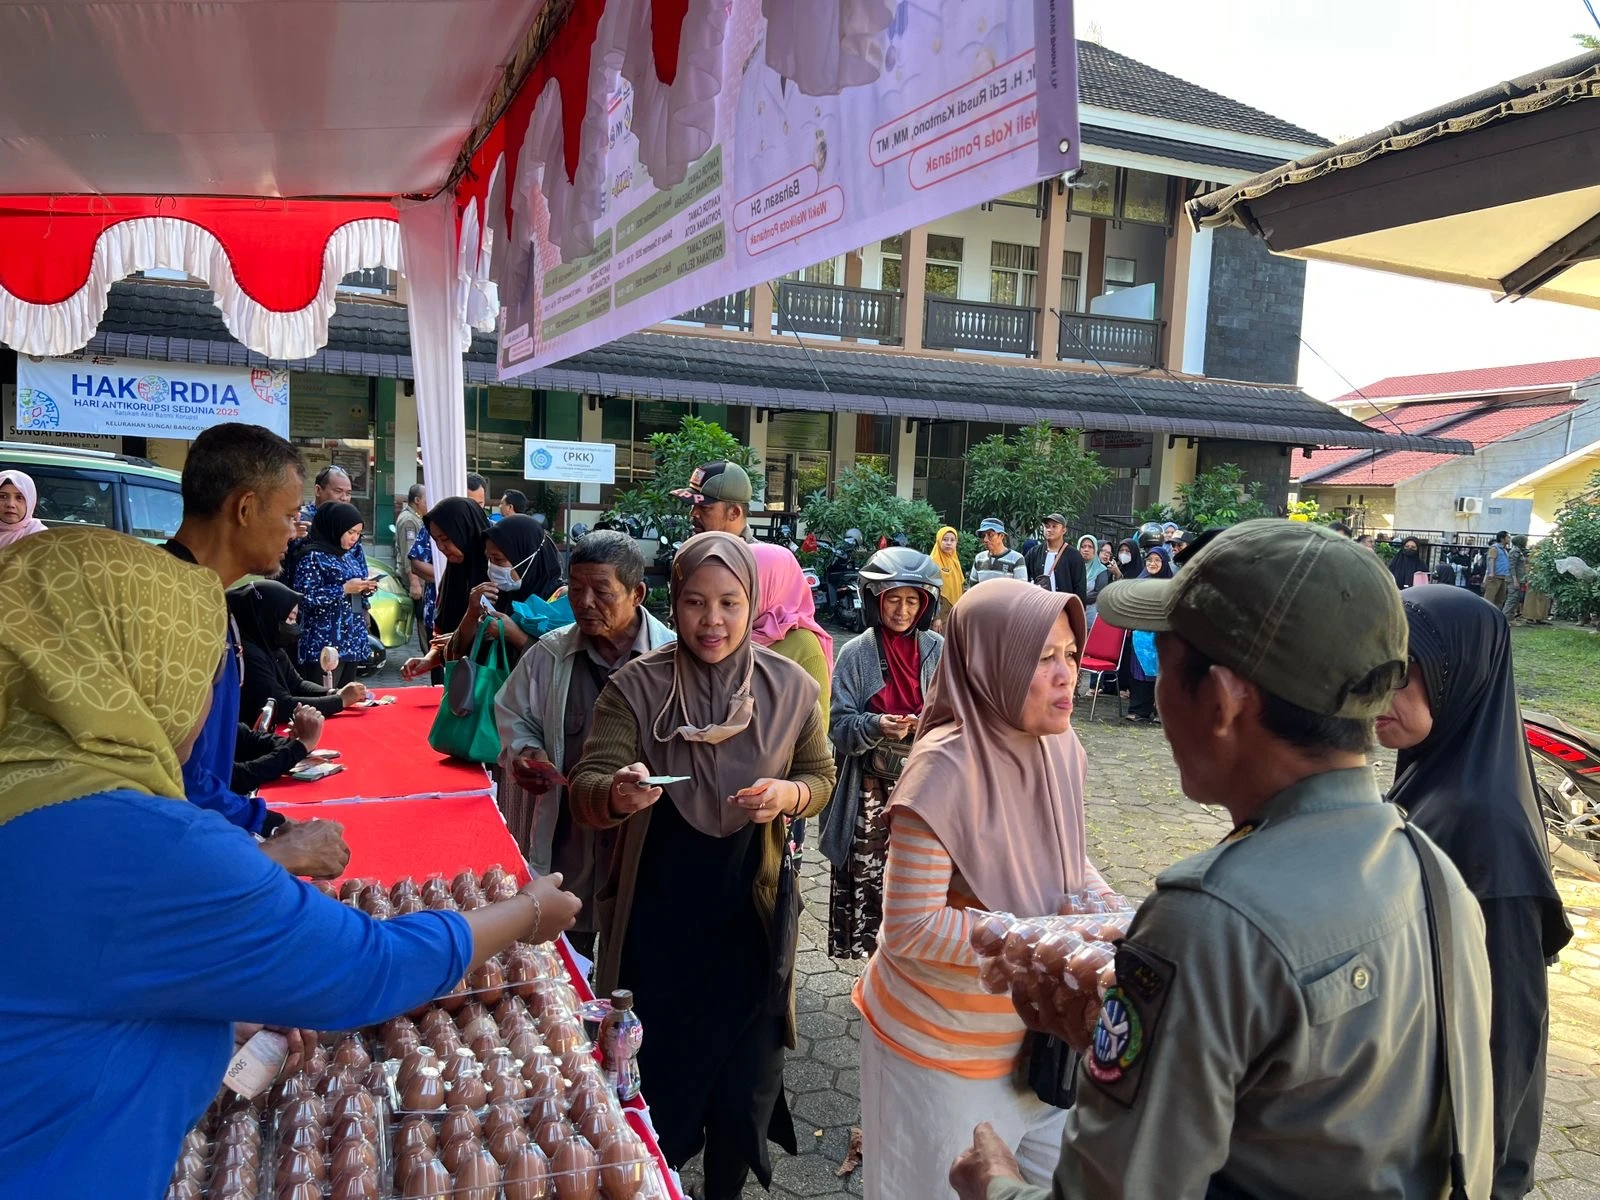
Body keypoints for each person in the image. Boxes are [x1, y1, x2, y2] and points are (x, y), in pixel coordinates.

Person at [0, 528, 583, 1199]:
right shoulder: (136, 842)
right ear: (140, 671)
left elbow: (74, 989)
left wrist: (209, 1016)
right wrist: (528, 911)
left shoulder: (38, 801)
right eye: (198, 668)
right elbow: (364, 967)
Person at [952, 520, 1495, 1200]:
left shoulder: (1207, 923)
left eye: (1164, 657)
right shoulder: (1434, 874)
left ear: (1222, 699)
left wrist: (996, 1186)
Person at [568, 533, 835, 1200]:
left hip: (751, 923)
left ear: (753, 604)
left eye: (729, 603)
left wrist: (787, 796)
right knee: (655, 1089)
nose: (712, 621)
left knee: (740, 1092)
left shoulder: (790, 688)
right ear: (671, 602)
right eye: (694, 603)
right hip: (657, 930)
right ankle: (653, 1183)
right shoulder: (638, 686)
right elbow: (589, 784)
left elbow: (820, 774)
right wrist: (618, 791)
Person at [856, 579, 1112, 1200]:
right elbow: (911, 927)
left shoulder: (1061, 747)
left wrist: (1112, 911)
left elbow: (1067, 862)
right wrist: (1042, 937)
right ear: (989, 665)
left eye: (1071, 655)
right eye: (1042, 658)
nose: (1065, 675)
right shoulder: (943, 770)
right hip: (939, 1051)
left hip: (1040, 1042)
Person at [1379, 585, 1571, 1198]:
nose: (1382, 692)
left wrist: (1483, 1181)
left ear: (1457, 677)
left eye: (1404, 673)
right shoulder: (1435, 773)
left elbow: (1507, 1038)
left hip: (1457, 1152)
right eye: (1376, 667)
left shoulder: (1487, 825)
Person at [165, 422, 347, 878]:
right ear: (245, 508)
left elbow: (211, 749)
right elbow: (172, 772)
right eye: (290, 516)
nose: (296, 530)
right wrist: (273, 826)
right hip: (178, 856)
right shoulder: (170, 609)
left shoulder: (208, 599)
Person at [494, 531, 676, 959]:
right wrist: (526, 754)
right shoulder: (550, 654)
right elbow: (514, 715)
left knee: (635, 961)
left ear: (637, 593)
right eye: (576, 590)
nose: (585, 603)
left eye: (601, 591)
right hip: (568, 844)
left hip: (642, 848)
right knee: (562, 961)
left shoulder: (671, 659)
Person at [821, 547, 945, 961]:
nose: (903, 610)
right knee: (868, 879)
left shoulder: (939, 650)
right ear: (875, 600)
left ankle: (910, 963)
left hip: (924, 788)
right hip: (868, 790)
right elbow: (838, 727)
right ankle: (871, 969)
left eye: (913, 600)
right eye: (893, 599)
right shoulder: (856, 652)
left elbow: (956, 717)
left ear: (925, 605)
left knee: (918, 877)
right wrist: (876, 725)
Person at [229, 580, 368, 722]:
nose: (293, 625)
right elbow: (280, 706)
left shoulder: (269, 646)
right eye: (289, 619)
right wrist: (339, 700)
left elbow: (297, 684)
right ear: (267, 616)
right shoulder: (248, 655)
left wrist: (332, 693)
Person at [449, 513, 567, 667]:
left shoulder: (561, 599)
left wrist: (516, 636)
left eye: (498, 559)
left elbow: (563, 665)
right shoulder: (497, 597)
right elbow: (455, 654)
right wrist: (471, 613)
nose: (492, 567)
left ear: (527, 557)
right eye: (489, 559)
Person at [400, 496, 491, 681]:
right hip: (459, 683)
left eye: (446, 539)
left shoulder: (496, 573)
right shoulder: (452, 574)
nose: (441, 547)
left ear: (465, 532)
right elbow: (442, 632)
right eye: (436, 540)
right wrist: (429, 659)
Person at [291, 501, 375, 687]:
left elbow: (353, 587)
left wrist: (364, 588)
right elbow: (304, 598)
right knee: (324, 700)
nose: (354, 539)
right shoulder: (312, 557)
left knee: (347, 701)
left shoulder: (348, 555)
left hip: (351, 640)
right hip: (324, 643)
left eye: (358, 534)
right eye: (350, 532)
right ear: (334, 528)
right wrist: (343, 589)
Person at [1120, 546, 1172, 723]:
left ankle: (1161, 711)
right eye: (1149, 560)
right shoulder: (1139, 581)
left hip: (1162, 636)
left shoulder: (1171, 584)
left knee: (1162, 674)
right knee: (1139, 673)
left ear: (1164, 563)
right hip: (1141, 636)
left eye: (1157, 560)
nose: (1152, 563)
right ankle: (1139, 709)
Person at [672, 460, 755, 540]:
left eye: (704, 507)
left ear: (734, 513)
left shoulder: (756, 554)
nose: (693, 513)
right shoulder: (693, 551)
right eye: (693, 505)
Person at [1025, 514, 1088, 603]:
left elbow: (1080, 587)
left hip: (1062, 607)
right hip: (1038, 606)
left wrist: (1077, 611)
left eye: (1054, 526)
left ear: (1064, 530)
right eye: (1047, 526)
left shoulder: (1074, 555)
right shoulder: (1034, 552)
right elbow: (1024, 578)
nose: (1049, 529)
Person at [395, 482, 426, 613]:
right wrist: (415, 583)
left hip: (421, 577)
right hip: (416, 579)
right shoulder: (409, 521)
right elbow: (409, 553)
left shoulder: (417, 518)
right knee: (421, 618)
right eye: (427, 499)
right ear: (417, 500)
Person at [0, 469, 48, 548]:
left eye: (19, 497)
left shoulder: (40, 537)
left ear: (30, 501)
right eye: (2, 496)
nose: (10, 504)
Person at [971, 518, 1028, 585]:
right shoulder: (979, 558)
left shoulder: (1016, 558)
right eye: (983, 536)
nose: (985, 539)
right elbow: (973, 587)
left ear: (1001, 536)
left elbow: (1021, 589)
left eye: (990, 535)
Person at [929, 525, 965, 627]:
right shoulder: (932, 562)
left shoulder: (955, 562)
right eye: (945, 539)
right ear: (939, 541)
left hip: (954, 613)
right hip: (940, 615)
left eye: (952, 540)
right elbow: (930, 591)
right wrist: (936, 618)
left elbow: (960, 587)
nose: (949, 543)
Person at [1079, 535, 1109, 629]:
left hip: (1090, 616)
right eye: (1083, 546)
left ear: (1095, 549)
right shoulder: (1073, 567)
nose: (1086, 549)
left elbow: (1098, 592)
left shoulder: (1101, 570)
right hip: (1072, 613)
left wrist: (1077, 598)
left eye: (1090, 547)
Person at [1484, 530, 1513, 610]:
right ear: (1502, 538)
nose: (1509, 539)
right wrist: (1491, 573)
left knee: (1500, 598)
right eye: (1508, 537)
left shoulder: (1504, 549)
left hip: (1503, 577)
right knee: (1490, 596)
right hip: (1495, 576)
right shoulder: (1494, 548)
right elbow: (1491, 560)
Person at [1505, 534, 1530, 620]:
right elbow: (1512, 567)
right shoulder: (1514, 551)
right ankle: (1504, 618)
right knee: (1512, 600)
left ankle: (1511, 618)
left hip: (1520, 579)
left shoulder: (1519, 551)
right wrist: (1515, 580)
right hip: (1514, 580)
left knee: (1516, 600)